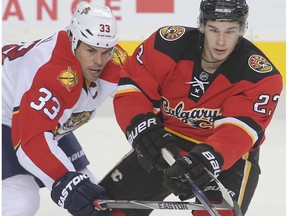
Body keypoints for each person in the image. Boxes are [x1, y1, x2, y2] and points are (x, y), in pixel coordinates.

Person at [99, 0, 283, 215]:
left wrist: (203, 161)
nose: (221, 41)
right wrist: (144, 131)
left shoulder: (259, 75)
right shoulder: (165, 45)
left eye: (230, 31)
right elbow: (133, 90)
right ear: (202, 25)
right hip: (166, 143)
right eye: (214, 29)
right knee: (106, 211)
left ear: (242, 29)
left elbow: (236, 133)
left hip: (227, 157)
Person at [2, 2, 128, 216]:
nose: (99, 61)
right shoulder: (50, 71)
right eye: (90, 50)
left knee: (92, 195)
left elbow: (143, 94)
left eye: (106, 52)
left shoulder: (114, 60)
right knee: (21, 201)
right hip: (8, 116)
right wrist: (66, 183)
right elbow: (31, 141)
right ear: (73, 40)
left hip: (43, 121)